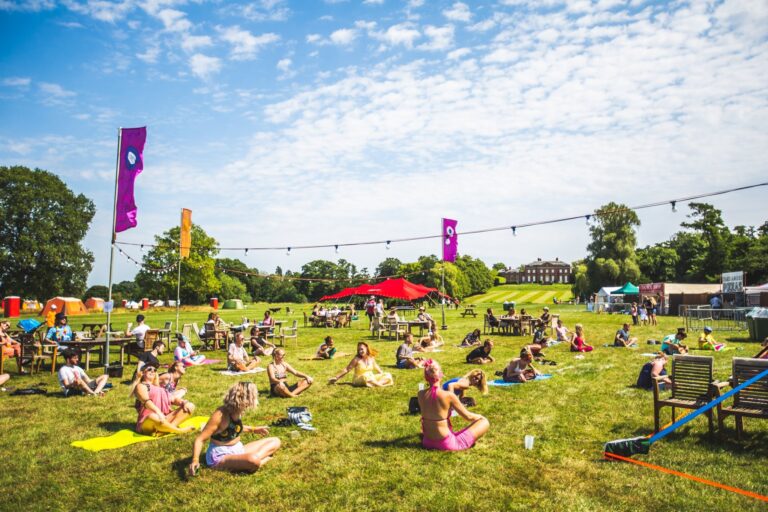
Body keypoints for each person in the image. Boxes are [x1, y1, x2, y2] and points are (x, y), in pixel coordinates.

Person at [189, 382, 280, 474]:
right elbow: (200, 439)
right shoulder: (220, 415)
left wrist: (254, 429)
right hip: (221, 455)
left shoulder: (238, 410)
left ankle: (248, 462)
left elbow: (233, 428)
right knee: (253, 460)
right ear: (244, 397)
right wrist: (195, 460)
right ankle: (259, 460)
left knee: (275, 441)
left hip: (238, 449)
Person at [418, 360, 489, 451]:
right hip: (446, 444)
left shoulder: (420, 394)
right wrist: (480, 417)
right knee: (484, 422)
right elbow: (468, 416)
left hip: (427, 442)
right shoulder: (449, 395)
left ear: (426, 377)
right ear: (441, 375)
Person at [131, 364, 195, 435]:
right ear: (142, 373)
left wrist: (184, 402)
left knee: (190, 406)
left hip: (163, 419)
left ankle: (166, 429)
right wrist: (158, 412)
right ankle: (178, 430)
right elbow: (146, 401)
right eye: (149, 369)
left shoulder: (161, 389)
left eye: (154, 370)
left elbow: (173, 399)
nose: (152, 371)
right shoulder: (141, 386)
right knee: (153, 416)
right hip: (148, 421)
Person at [329, 342, 393, 387]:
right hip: (359, 379)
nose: (360, 351)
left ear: (366, 348)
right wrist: (336, 377)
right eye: (359, 350)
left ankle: (376, 384)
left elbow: (376, 366)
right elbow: (347, 369)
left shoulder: (371, 358)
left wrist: (381, 374)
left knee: (387, 374)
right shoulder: (356, 359)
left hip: (371, 378)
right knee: (366, 376)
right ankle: (380, 385)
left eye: (362, 349)